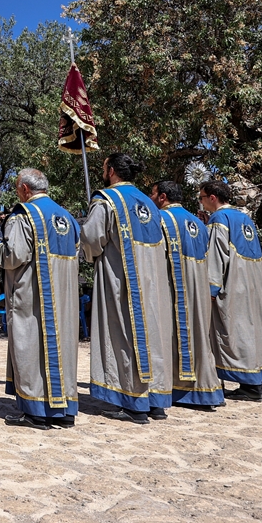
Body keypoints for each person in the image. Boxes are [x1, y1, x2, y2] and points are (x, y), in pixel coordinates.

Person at [81, 153, 173, 424]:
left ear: (111, 171)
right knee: (151, 335)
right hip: (153, 282)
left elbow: (91, 237)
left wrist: (90, 252)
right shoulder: (150, 203)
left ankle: (134, 401)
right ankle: (155, 400)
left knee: (123, 334)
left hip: (120, 279)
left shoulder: (106, 199)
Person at [0, 168, 80, 431]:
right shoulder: (67, 217)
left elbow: (14, 256)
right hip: (64, 297)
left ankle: (36, 410)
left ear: (24, 189)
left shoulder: (23, 216)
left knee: (30, 346)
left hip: (32, 296)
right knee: (61, 349)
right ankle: (64, 409)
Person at [200, 180, 262, 401]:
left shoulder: (220, 219)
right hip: (254, 284)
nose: (200, 202)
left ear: (212, 197)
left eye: (201, 197)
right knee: (258, 333)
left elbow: (216, 256)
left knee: (237, 334)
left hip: (234, 284)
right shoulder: (244, 218)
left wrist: (211, 288)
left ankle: (250, 387)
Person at [151, 181, 223, 408]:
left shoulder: (161, 220)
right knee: (199, 337)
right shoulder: (198, 223)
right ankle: (206, 388)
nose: (150, 199)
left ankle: (181, 390)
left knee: (173, 335)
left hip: (174, 287)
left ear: (162, 197)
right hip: (198, 288)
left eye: (152, 194)